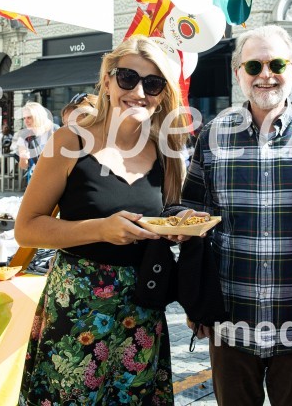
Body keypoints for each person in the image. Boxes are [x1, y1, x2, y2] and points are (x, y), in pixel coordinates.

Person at [168, 25, 292, 405]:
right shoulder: (212, 136)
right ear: (239, 74)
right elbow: (194, 225)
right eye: (253, 66)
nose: (266, 74)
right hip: (230, 322)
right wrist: (195, 301)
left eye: (276, 64)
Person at [16, 37, 189, 405]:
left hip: (142, 310)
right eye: (128, 78)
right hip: (77, 309)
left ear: (162, 95)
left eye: (153, 83)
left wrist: (181, 222)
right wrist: (100, 229)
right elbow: (26, 228)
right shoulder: (69, 141)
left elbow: (167, 212)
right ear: (107, 81)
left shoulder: (166, 151)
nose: (138, 92)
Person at [17, 101, 57, 183]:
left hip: (56, 176)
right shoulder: (24, 135)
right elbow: (23, 166)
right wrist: (23, 158)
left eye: (29, 117)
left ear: (38, 116)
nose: (26, 121)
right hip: (37, 178)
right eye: (24, 118)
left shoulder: (54, 130)